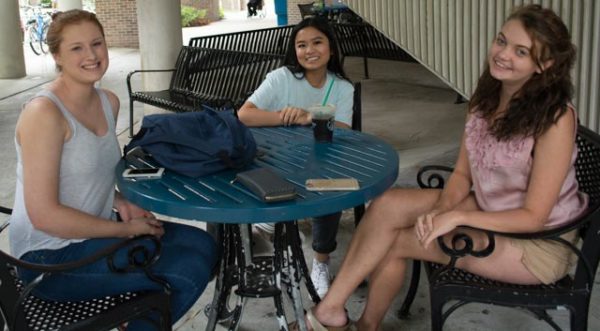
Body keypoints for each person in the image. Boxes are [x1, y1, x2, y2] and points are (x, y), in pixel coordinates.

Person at [293, 4, 588, 330]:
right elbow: (462, 174)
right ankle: (332, 310)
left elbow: (534, 216)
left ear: (544, 65)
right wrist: (442, 210)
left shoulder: (555, 119)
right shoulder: (487, 97)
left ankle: (360, 325)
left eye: (521, 51)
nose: (503, 54)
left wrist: (456, 216)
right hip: (492, 208)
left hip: (537, 244)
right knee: (387, 204)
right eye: (502, 41)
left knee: (396, 241)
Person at [9, 10, 217, 330]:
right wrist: (124, 230)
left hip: (93, 235)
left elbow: (88, 174)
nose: (91, 55)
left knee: (203, 246)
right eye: (76, 48)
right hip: (49, 261)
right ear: (57, 56)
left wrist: (121, 201)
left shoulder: (108, 101)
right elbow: (44, 215)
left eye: (97, 43)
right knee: (186, 269)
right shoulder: (44, 113)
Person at [237, 16, 354, 298]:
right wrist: (282, 116)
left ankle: (321, 263)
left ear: (332, 48)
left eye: (317, 42)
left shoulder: (342, 88)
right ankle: (277, 227)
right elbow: (244, 115)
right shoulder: (281, 78)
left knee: (333, 186)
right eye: (301, 45)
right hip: (275, 160)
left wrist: (308, 117)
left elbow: (345, 130)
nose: (309, 50)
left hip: (320, 162)